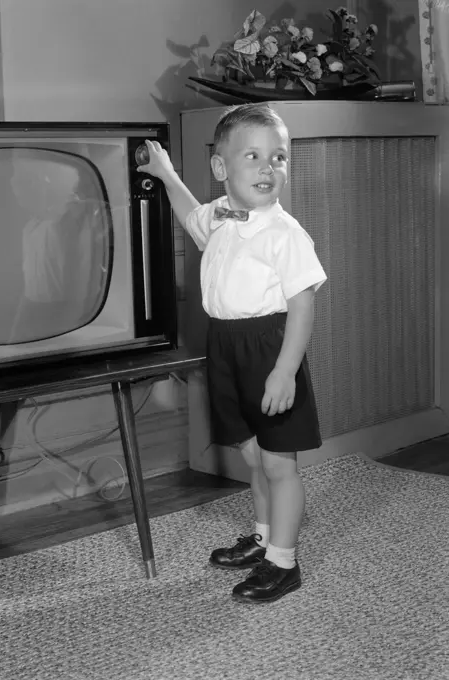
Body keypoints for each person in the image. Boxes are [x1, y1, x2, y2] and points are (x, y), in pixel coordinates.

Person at [137, 103, 327, 604]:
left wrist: (285, 371)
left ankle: (284, 563)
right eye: (254, 156)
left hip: (269, 347)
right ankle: (264, 538)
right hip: (223, 344)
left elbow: (303, 307)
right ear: (222, 169)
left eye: (279, 157)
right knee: (253, 455)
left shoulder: (286, 234)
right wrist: (166, 173)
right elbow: (189, 215)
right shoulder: (219, 216)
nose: (270, 168)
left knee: (279, 462)